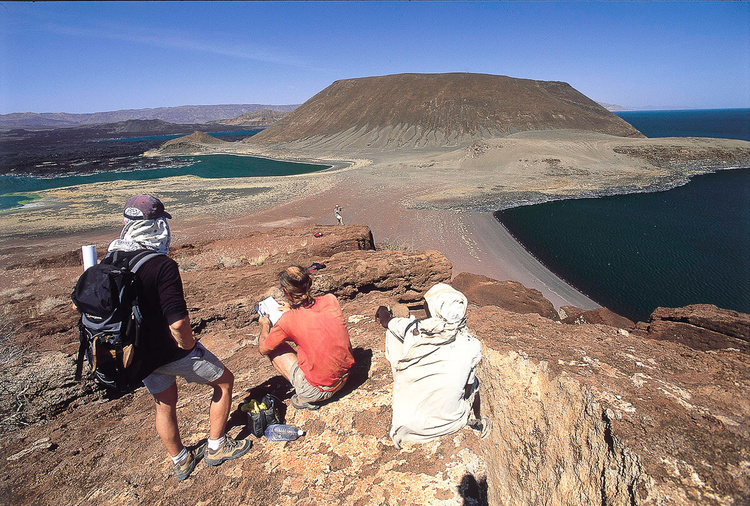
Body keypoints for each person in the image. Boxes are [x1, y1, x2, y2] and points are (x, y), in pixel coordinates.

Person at [109, 194, 251, 481]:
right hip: (169, 351)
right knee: (224, 382)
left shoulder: (112, 258)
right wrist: (189, 347)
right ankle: (216, 447)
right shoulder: (162, 265)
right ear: (157, 225)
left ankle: (181, 460)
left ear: (127, 223)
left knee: (164, 402)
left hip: (137, 354)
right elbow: (178, 323)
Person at [376, 283, 484, 448]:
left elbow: (387, 322)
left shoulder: (414, 329)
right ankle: (477, 417)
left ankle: (403, 373)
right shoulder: (472, 345)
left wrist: (382, 309)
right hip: (450, 424)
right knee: (474, 381)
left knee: (393, 334)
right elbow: (468, 389)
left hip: (409, 426)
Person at [258, 265, 355, 410]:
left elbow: (263, 349)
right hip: (345, 378)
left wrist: (264, 326)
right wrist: (292, 309)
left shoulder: (288, 320)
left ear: (286, 291)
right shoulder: (330, 300)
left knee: (273, 347)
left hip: (318, 391)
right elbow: (314, 322)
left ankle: (306, 398)